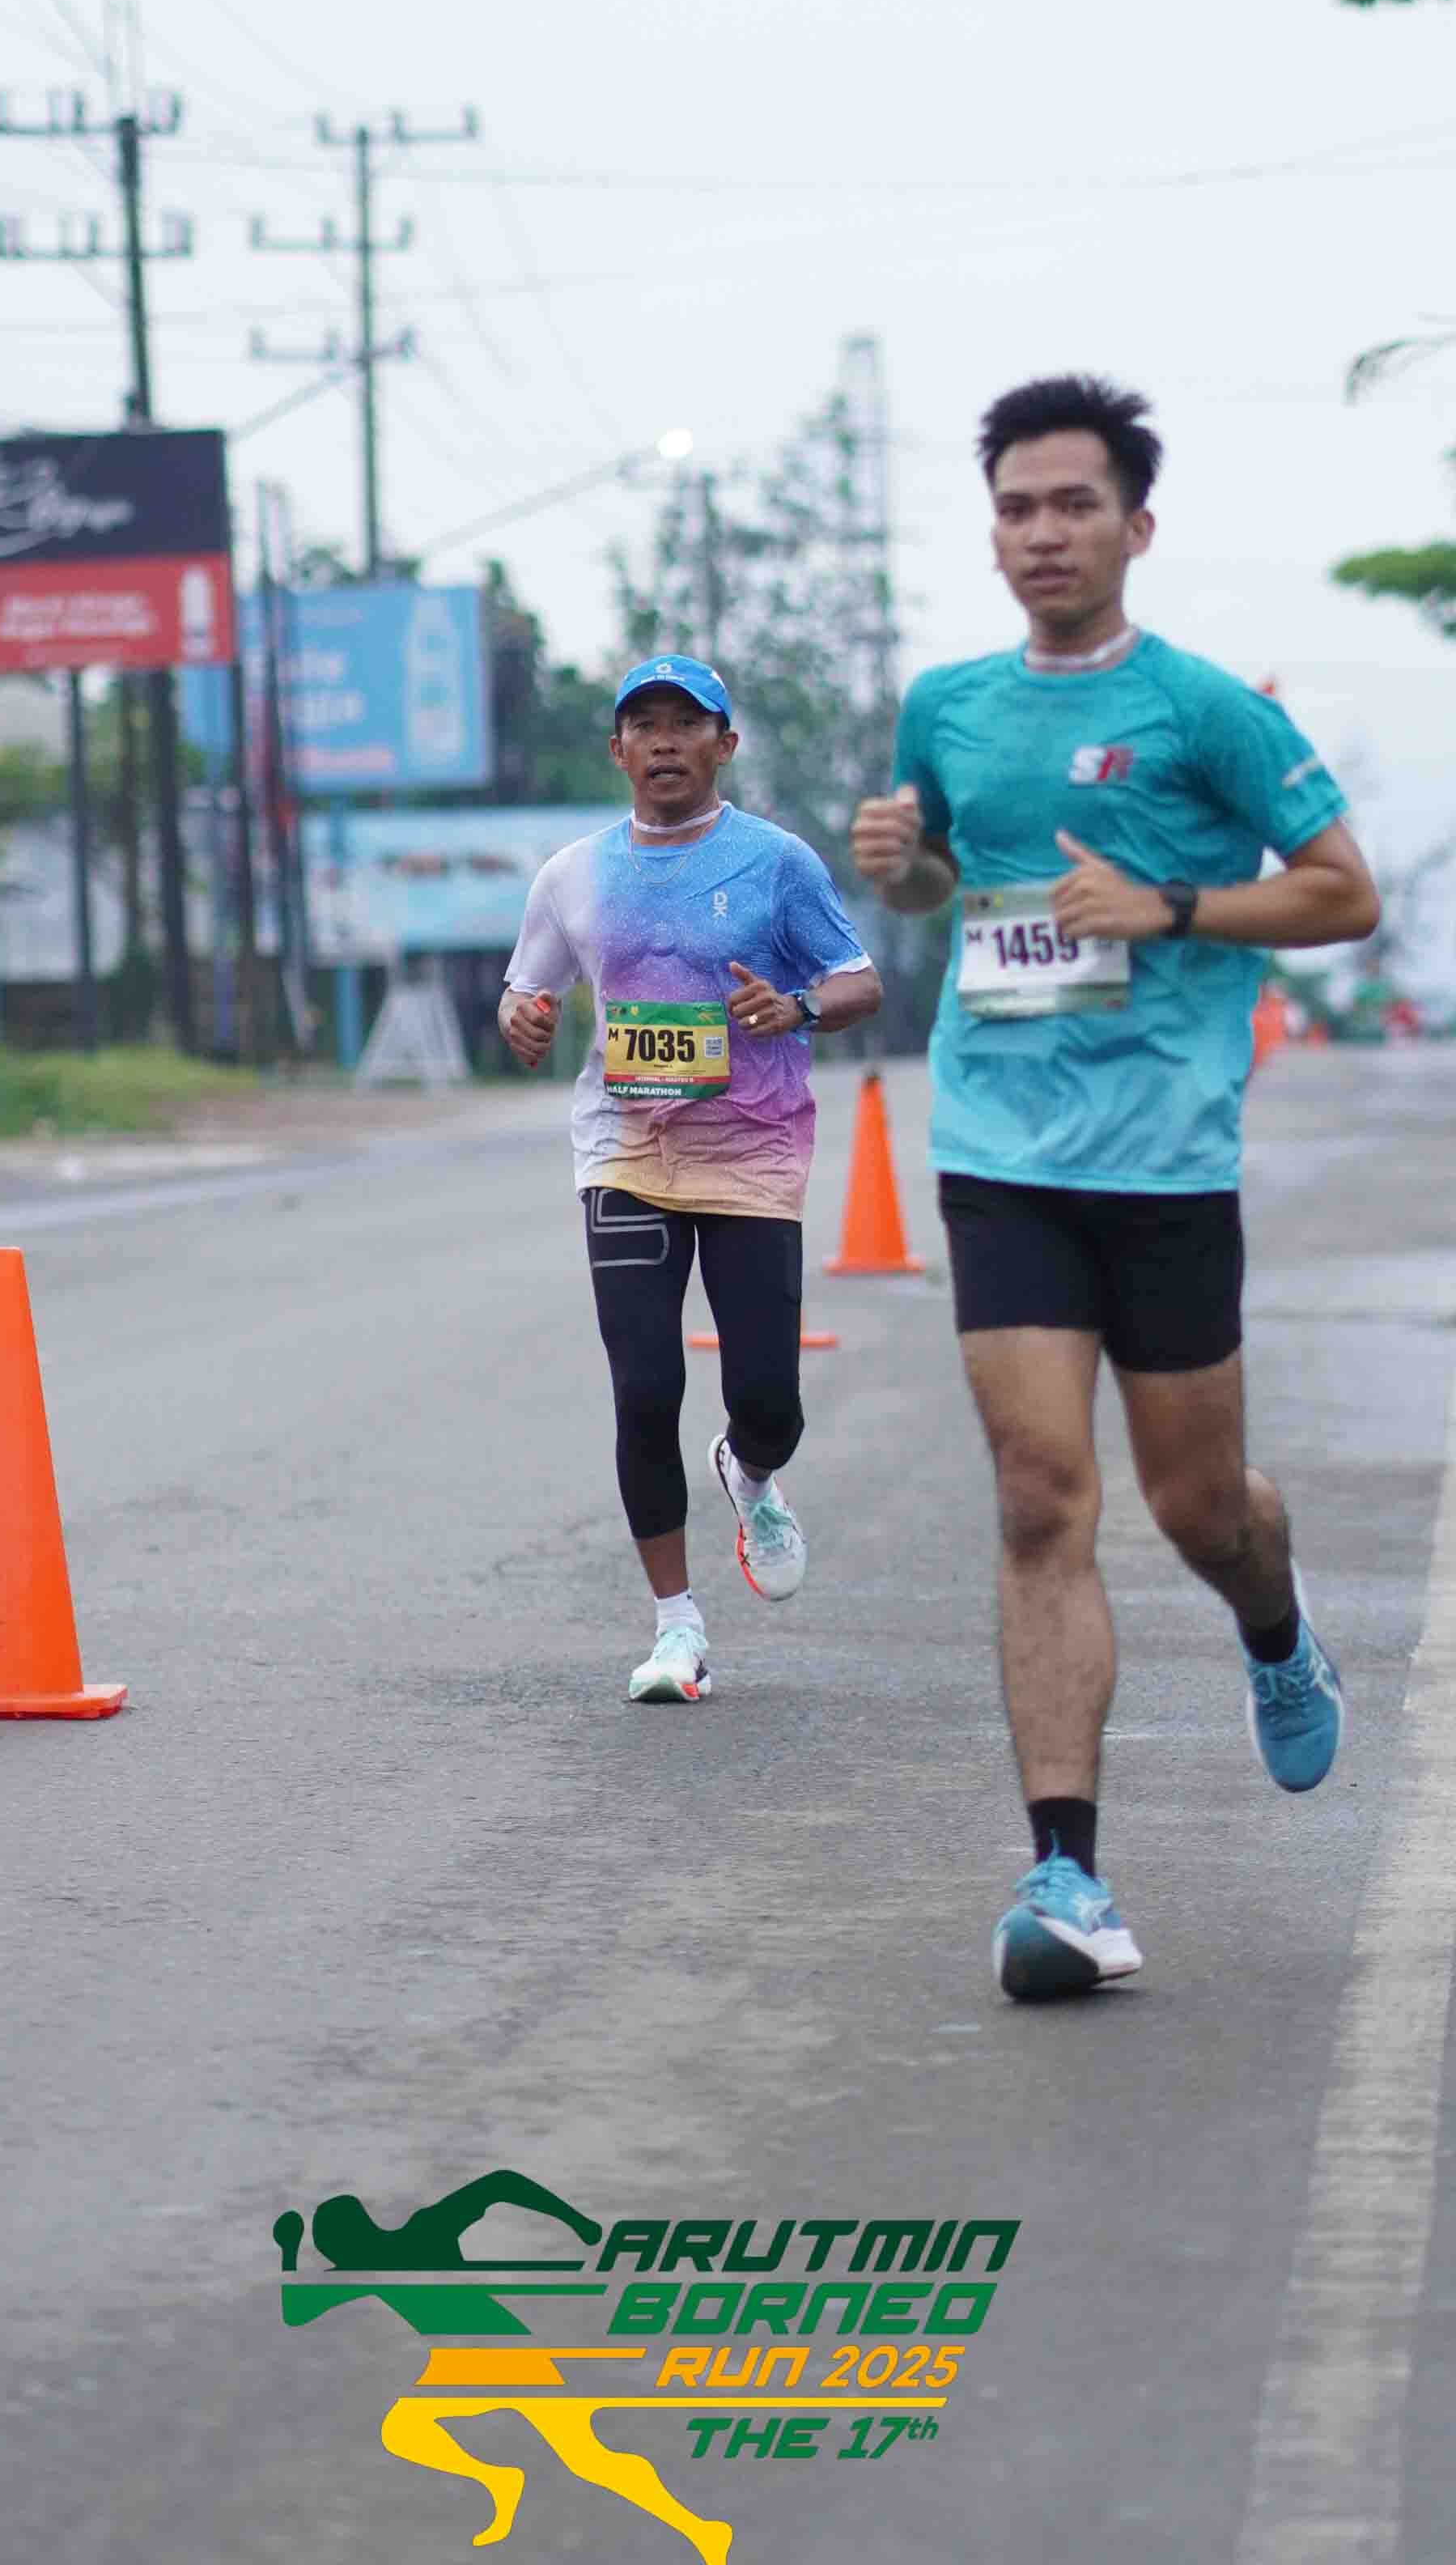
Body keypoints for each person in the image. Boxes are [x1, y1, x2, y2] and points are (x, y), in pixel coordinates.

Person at [850, 375, 1380, 2003]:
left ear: (1135, 526)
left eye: (1073, 503)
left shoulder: (1207, 710)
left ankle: (1273, 1625)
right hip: (1000, 1144)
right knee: (1037, 1495)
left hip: (1163, 1155)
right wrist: (904, 865)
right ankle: (1065, 1873)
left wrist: (1170, 905)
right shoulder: (946, 704)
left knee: (1199, 1507)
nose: (1043, 531)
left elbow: (1343, 892)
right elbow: (949, 878)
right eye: (1016, 506)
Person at [502, 657, 881, 1705]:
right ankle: (677, 1625)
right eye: (644, 725)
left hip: (753, 1152)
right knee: (643, 1385)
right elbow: (525, 991)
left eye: (686, 722)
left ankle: (750, 1470)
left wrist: (797, 1009)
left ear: (726, 744)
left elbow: (859, 981)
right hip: (625, 1154)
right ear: (618, 750)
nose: (664, 740)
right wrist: (522, 1020)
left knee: (769, 1400)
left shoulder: (778, 863)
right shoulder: (573, 875)